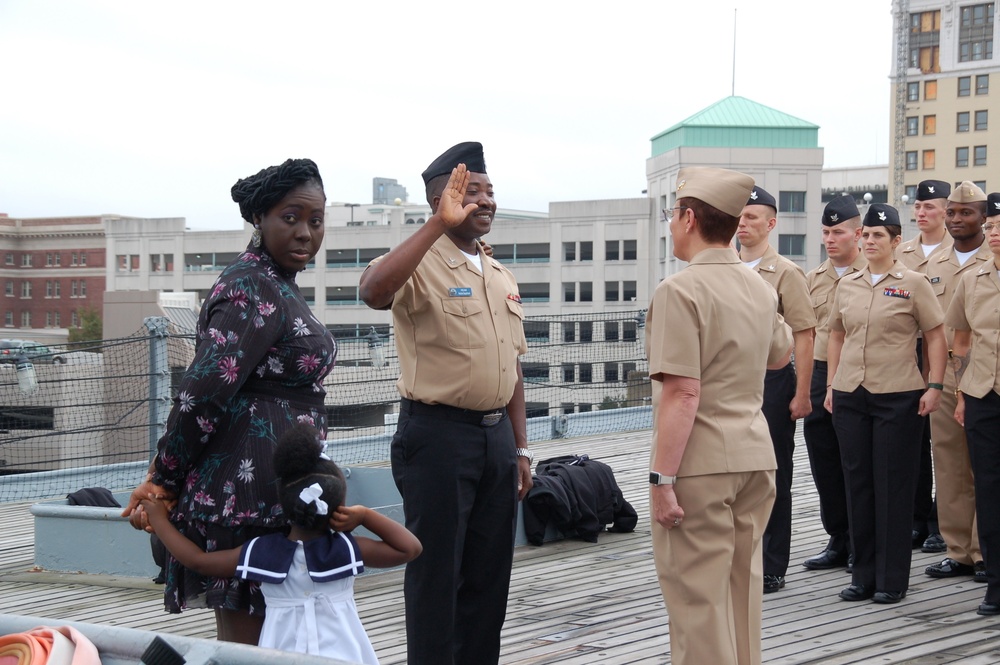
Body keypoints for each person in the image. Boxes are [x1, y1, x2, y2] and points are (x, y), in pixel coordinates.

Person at [121, 158, 337, 644]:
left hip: (279, 490)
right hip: (247, 496)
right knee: (250, 647)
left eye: (316, 221)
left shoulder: (279, 284)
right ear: (259, 218)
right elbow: (202, 395)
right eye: (291, 217)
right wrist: (162, 480)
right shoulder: (249, 286)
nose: (305, 232)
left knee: (281, 642)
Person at [358, 142, 532, 665]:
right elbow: (372, 290)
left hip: (496, 438)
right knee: (436, 576)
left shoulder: (499, 273)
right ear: (442, 201)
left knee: (488, 577)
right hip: (437, 437)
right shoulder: (419, 261)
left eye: (489, 191)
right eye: (470, 192)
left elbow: (513, 365)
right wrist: (436, 225)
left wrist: (522, 448)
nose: (485, 201)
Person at [647, 166, 792, 665]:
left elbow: (683, 393)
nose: (671, 225)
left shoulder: (679, 290)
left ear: (688, 218)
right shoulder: (759, 287)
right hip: (755, 455)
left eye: (672, 215)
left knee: (697, 604)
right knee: (741, 595)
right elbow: (779, 355)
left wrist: (661, 479)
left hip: (700, 464)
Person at [140, 423, 422, 662]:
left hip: (280, 656)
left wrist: (160, 521)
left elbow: (197, 561)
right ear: (339, 507)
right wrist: (365, 515)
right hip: (343, 655)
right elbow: (410, 548)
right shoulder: (345, 550)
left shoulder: (263, 551)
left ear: (284, 506)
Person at [825, 203, 947, 604]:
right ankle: (862, 575)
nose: (872, 241)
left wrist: (934, 385)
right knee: (857, 483)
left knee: (893, 486)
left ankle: (891, 578)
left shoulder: (913, 282)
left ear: (897, 241)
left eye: (881, 235)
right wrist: (831, 386)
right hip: (850, 393)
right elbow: (837, 335)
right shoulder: (849, 283)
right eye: (867, 235)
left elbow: (934, 335)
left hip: (897, 394)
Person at [737, 186, 816, 593]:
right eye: (740, 215)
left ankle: (771, 564)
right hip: (731, 381)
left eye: (752, 217)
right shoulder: (723, 267)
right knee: (734, 470)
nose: (743, 223)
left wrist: (802, 394)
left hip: (772, 381)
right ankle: (738, 557)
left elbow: (804, 334)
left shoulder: (785, 272)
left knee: (773, 472)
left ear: (770, 224)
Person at [922, 181, 991, 583]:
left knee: (984, 466)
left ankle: (985, 551)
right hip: (944, 378)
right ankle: (958, 551)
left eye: (966, 212)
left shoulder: (993, 258)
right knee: (947, 464)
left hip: (984, 379)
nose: (956, 219)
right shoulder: (933, 264)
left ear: (984, 217)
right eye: (951, 212)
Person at [801, 196, 866, 571]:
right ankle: (838, 537)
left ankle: (862, 540)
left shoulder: (874, 273)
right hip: (819, 372)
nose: (830, 239)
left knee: (855, 461)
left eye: (838, 231)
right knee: (823, 459)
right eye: (826, 232)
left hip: (856, 374)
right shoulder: (813, 279)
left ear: (857, 233)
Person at [948, 192, 1000, 615]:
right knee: (990, 488)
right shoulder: (972, 279)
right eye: (994, 227)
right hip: (984, 394)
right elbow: (961, 339)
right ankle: (997, 584)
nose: (997, 234)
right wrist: (963, 392)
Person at [900, 179, 953, 554]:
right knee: (913, 442)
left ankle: (940, 521)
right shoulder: (902, 253)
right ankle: (918, 518)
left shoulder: (964, 250)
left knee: (945, 445)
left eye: (930, 207)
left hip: (947, 355)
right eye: (918, 207)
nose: (922, 213)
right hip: (907, 356)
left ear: (946, 211)